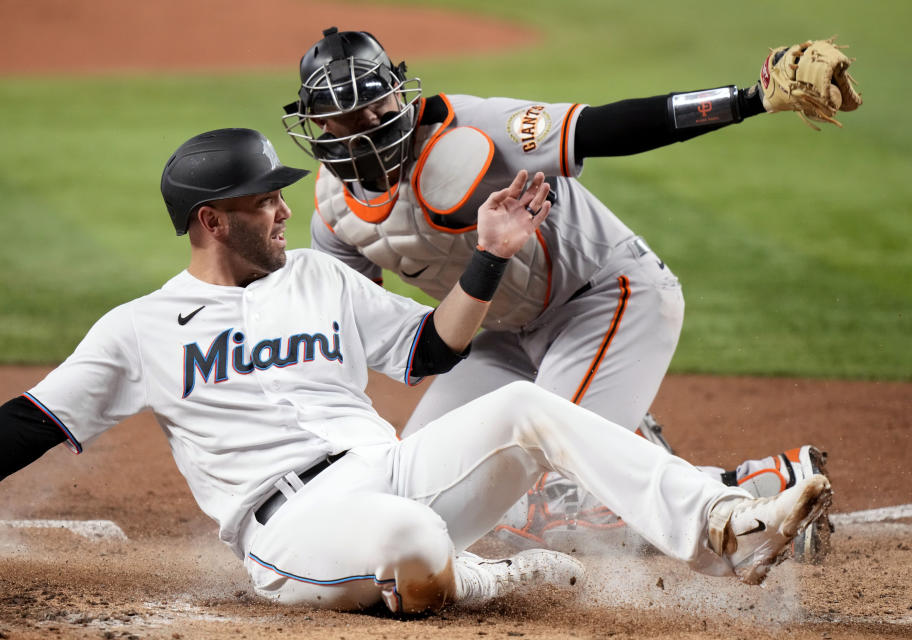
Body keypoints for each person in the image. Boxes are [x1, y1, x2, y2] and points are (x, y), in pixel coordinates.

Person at [0, 128, 832, 613]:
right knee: (412, 547)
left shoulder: (317, 277)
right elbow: (20, 429)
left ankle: (726, 525)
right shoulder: (138, 328)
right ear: (212, 222)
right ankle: (488, 578)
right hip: (290, 526)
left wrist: (487, 259)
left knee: (526, 405)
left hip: (390, 470)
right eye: (264, 200)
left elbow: (429, 352)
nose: (285, 207)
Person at [281, 28, 855, 557]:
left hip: (608, 298)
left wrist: (747, 99)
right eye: (347, 118)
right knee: (421, 489)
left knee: (558, 499)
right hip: (506, 340)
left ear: (399, 95)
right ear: (318, 127)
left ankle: (761, 487)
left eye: (378, 108)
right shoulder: (334, 215)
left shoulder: (475, 126)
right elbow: (351, 334)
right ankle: (625, 433)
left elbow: (605, 128)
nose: (369, 127)